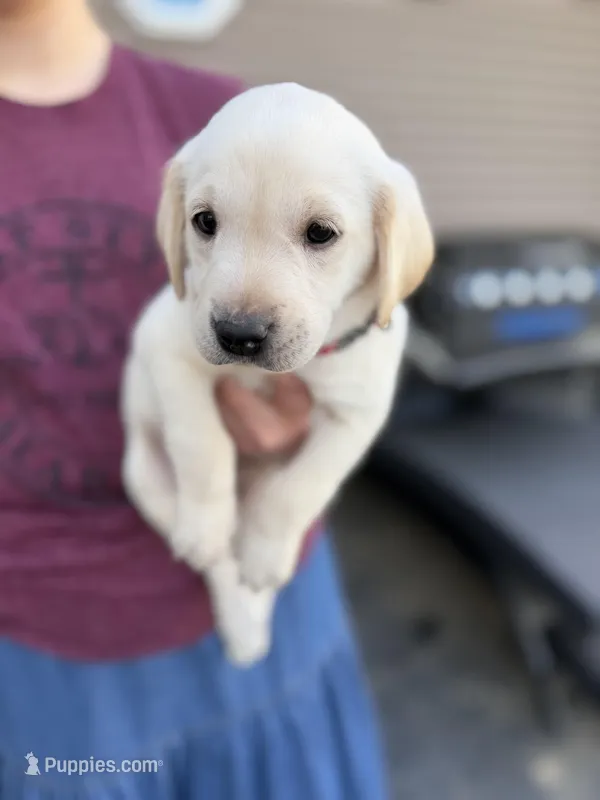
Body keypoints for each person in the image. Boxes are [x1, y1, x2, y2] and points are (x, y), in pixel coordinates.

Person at [0, 1, 388, 798]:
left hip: (281, 600)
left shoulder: (221, 119)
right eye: (207, 226)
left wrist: (293, 432)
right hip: (46, 651)